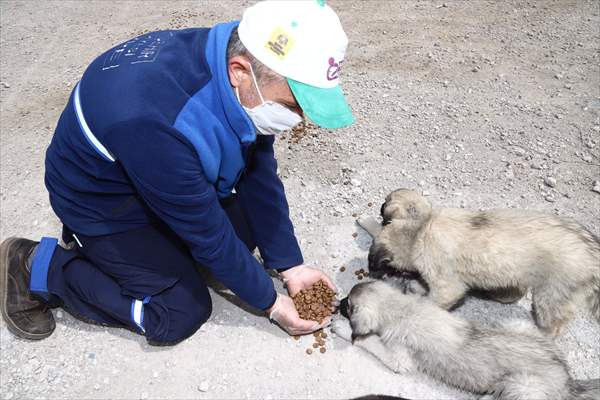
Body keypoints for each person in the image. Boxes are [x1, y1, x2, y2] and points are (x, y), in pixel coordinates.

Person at [0, 0, 354, 345]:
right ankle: (38, 267)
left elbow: (257, 169)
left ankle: (143, 258)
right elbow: (208, 234)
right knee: (180, 310)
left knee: (245, 233)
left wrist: (291, 265)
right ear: (239, 71)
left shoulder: (238, 58)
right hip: (102, 205)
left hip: (153, 174)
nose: (300, 119)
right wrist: (273, 304)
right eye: (294, 105)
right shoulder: (156, 120)